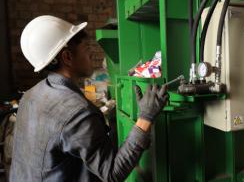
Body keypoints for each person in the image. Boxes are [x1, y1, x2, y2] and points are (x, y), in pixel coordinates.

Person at [10, 15, 169, 182]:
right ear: (67, 57)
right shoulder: (76, 112)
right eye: (87, 48)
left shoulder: (30, 95)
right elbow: (112, 173)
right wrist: (146, 118)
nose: (92, 54)